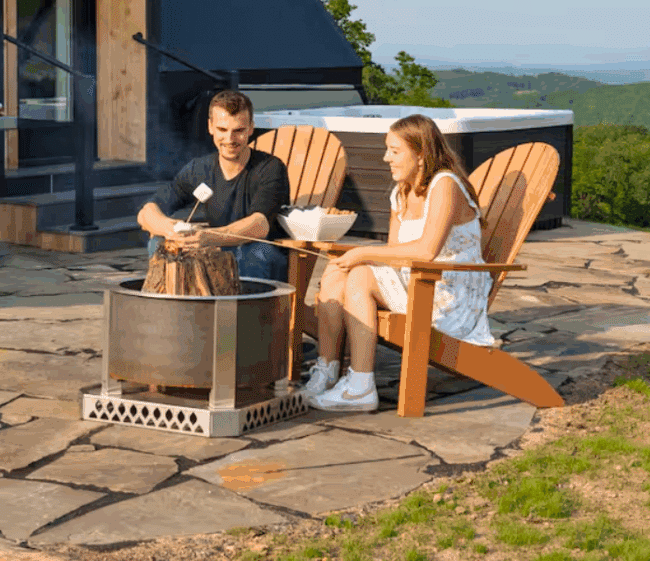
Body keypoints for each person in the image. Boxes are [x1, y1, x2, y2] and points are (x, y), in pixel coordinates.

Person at [303, 114, 494, 412]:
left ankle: (360, 386)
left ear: (420, 154)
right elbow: (395, 251)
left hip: (446, 292)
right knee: (335, 271)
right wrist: (354, 258)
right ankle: (327, 370)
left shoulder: (445, 185)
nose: (385, 158)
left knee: (362, 275)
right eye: (387, 149)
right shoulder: (401, 192)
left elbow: (427, 250)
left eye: (394, 151)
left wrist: (363, 254)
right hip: (414, 280)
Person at [136, 90, 290, 281]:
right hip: (217, 249)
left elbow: (259, 225)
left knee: (257, 252)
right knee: (158, 243)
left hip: (261, 252)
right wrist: (170, 229)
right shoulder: (199, 169)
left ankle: (250, 310)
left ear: (251, 128)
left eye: (238, 131)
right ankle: (179, 308)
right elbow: (147, 212)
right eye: (222, 130)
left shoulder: (270, 168)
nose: (230, 139)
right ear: (210, 127)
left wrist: (207, 236)